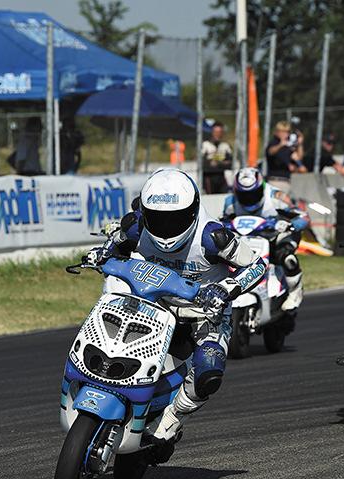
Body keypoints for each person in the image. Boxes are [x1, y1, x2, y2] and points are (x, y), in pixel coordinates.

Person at [86, 168, 266, 444]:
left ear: (193, 211)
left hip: (204, 312)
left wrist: (225, 289)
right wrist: (101, 254)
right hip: (152, 302)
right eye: (158, 219)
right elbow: (114, 245)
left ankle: (169, 423)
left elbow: (256, 265)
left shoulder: (213, 236)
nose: (166, 227)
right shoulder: (136, 226)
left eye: (176, 219)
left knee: (208, 373)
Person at [222, 167, 309, 313]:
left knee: (288, 258)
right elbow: (224, 220)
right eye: (244, 195)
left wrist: (290, 224)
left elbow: (303, 216)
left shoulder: (277, 197)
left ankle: (295, 292)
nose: (249, 199)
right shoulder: (230, 202)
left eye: (253, 194)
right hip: (247, 238)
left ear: (261, 188)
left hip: (276, 235)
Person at [265, 121, 307, 191]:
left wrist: (300, 144)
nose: (285, 134)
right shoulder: (274, 143)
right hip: (275, 180)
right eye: (283, 132)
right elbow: (270, 152)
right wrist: (280, 144)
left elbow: (298, 158)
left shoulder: (288, 147)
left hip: (286, 181)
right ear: (277, 132)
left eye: (287, 132)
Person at [201, 123, 232, 193]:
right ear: (212, 133)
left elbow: (230, 164)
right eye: (216, 132)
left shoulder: (225, 146)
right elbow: (204, 164)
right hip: (209, 178)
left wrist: (217, 163)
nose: (218, 134)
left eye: (220, 132)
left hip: (221, 177)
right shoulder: (205, 145)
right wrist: (222, 163)